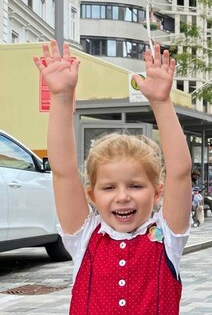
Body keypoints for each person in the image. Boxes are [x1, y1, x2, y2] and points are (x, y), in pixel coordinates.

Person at [33, 41, 192, 313]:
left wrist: (161, 102)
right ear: (92, 194)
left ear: (156, 192)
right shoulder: (84, 237)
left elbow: (180, 173)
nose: (122, 196)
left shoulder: (167, 238)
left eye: (135, 185)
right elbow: (63, 172)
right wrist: (60, 98)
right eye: (108, 187)